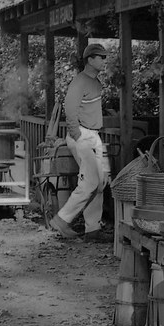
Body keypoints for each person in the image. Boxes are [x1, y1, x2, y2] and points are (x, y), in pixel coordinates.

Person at [49, 43, 113, 243]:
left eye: (104, 56)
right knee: (90, 182)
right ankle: (61, 219)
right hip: (82, 135)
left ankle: (92, 230)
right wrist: (77, 136)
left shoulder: (96, 82)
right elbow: (70, 110)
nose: (104, 60)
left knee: (100, 183)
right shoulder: (79, 82)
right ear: (90, 59)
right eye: (101, 57)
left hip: (94, 135)